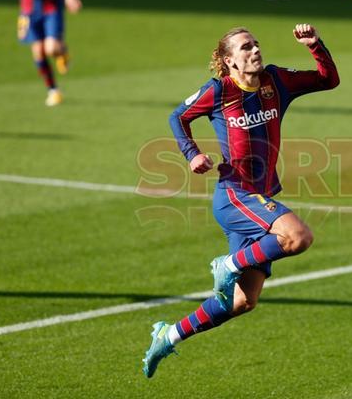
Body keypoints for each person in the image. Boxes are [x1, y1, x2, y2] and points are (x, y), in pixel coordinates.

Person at [142, 23, 339, 378]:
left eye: (257, 44)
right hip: (236, 195)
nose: (255, 50)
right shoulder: (220, 90)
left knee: (242, 302)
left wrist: (315, 46)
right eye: (246, 47)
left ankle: (168, 335)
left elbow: (329, 80)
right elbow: (178, 117)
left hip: (259, 196)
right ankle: (228, 265)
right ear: (230, 61)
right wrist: (191, 155)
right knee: (298, 236)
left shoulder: (276, 82)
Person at [0, 0, 82, 107]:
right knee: (38, 52)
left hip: (51, 7)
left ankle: (62, 51)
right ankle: (53, 91)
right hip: (29, 10)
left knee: (51, 48)